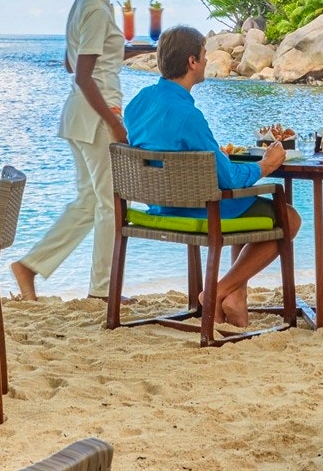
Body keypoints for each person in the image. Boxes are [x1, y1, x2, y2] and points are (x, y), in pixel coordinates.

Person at [124, 26, 302, 327]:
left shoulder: (139, 102)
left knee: (249, 206)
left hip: (159, 206)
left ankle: (234, 296)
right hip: (201, 209)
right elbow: (229, 179)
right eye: (205, 55)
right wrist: (266, 165)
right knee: (289, 218)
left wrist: (209, 154)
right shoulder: (188, 116)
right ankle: (216, 292)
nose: (207, 61)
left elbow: (156, 142)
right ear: (192, 61)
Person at [11, 0, 132, 301]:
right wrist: (114, 122)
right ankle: (103, 291)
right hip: (97, 117)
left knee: (88, 203)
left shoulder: (84, 4)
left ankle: (29, 266)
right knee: (111, 203)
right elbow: (81, 74)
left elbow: (71, 62)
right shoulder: (97, 10)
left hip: (78, 115)